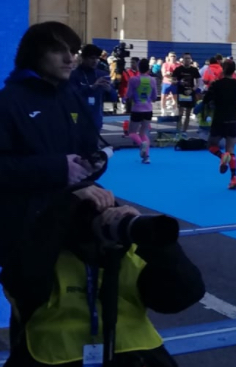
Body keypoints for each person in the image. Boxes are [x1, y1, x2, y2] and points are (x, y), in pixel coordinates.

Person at [1, 185, 204, 367]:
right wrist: (65, 207)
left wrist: (154, 241)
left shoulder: (132, 253)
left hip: (134, 352)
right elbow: (22, 284)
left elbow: (182, 296)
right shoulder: (44, 254)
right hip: (52, 355)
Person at [0, 22, 103, 269]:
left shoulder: (71, 96)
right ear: (35, 54)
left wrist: (95, 162)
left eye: (73, 51)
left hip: (74, 221)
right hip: (26, 230)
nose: (70, 59)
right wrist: (58, 168)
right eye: (58, 51)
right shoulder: (8, 102)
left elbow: (87, 149)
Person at [201, 59, 236, 191]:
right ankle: (234, 178)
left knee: (211, 145)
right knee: (231, 149)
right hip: (233, 118)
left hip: (219, 118)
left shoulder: (216, 84)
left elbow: (206, 99)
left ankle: (221, 156)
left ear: (222, 70)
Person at [70, 44, 115, 132]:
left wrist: (109, 90)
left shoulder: (102, 74)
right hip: (78, 119)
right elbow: (71, 95)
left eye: (97, 58)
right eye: (92, 58)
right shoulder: (74, 75)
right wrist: (91, 87)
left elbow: (114, 97)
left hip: (96, 119)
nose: (95, 61)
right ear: (83, 58)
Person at [124, 59, 159, 165]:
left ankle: (141, 144)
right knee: (143, 133)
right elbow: (154, 97)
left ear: (139, 68)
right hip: (148, 109)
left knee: (132, 132)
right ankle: (146, 157)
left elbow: (129, 95)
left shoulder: (134, 79)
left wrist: (125, 99)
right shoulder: (152, 80)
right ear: (148, 68)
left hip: (137, 109)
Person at [169, 54, 201, 136]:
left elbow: (198, 82)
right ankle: (178, 130)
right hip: (181, 93)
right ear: (182, 59)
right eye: (185, 58)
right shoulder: (178, 69)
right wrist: (179, 82)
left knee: (188, 114)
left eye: (189, 58)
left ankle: (184, 131)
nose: (187, 60)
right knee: (180, 113)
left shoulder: (194, 70)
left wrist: (192, 90)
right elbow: (173, 81)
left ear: (191, 60)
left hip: (190, 93)